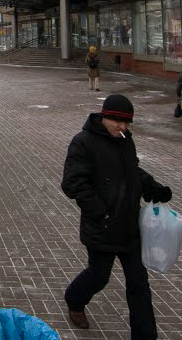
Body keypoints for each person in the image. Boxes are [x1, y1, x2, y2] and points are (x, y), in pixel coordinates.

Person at [61, 94, 173, 338]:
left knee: (139, 285)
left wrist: (153, 187)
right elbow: (72, 183)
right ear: (104, 117)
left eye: (127, 123)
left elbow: (132, 171)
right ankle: (74, 298)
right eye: (118, 122)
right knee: (99, 276)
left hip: (130, 227)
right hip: (102, 226)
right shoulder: (83, 142)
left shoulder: (125, 140)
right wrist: (100, 211)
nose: (123, 127)